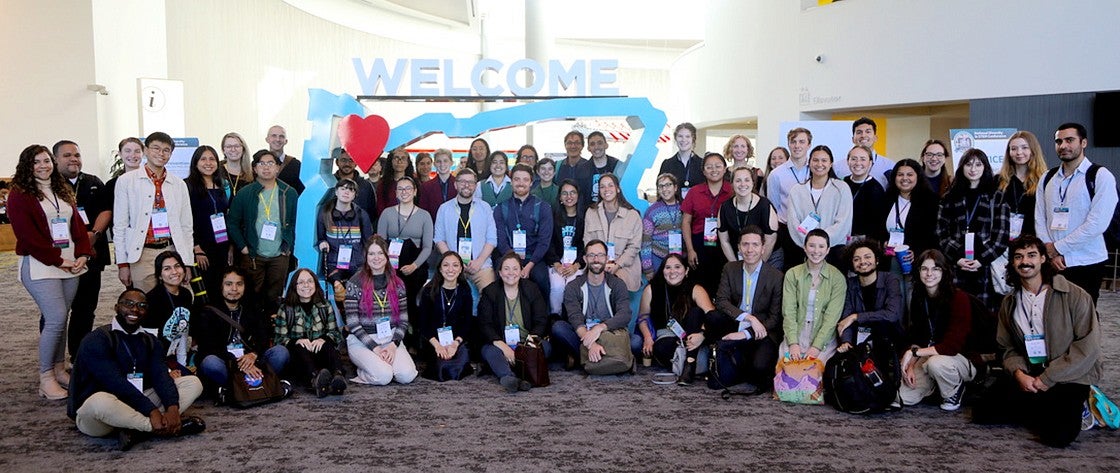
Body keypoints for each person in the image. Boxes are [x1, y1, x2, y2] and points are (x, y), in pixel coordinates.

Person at [973, 235, 1101, 448]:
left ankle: (1078, 403)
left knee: (1057, 437)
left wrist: (1048, 379)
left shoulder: (1075, 295)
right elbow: (1007, 347)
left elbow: (1088, 348)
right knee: (982, 413)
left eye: (1032, 255)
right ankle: (1045, 403)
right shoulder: (1010, 301)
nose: (1025, 262)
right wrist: (1019, 374)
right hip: (1031, 371)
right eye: (1018, 257)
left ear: (1043, 259)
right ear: (1013, 263)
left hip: (1068, 376)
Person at [68, 289, 205, 451]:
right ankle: (153, 427)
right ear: (116, 307)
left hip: (136, 403)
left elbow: (160, 375)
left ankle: (136, 429)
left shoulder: (150, 340)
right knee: (99, 401)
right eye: (128, 304)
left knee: (193, 383)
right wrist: (152, 411)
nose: (134, 309)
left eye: (141, 306)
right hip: (102, 415)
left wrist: (172, 407)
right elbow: (114, 383)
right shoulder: (97, 339)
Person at [10, 144, 93, 399]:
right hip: (40, 265)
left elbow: (77, 225)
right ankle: (45, 378)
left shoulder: (61, 189)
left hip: (69, 264)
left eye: (46, 161)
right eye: (37, 162)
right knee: (55, 318)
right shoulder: (19, 195)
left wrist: (82, 253)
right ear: (27, 165)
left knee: (63, 317)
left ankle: (58, 369)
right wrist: (60, 261)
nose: (43, 166)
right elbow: (28, 236)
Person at [1034, 122, 1117, 304]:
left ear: (1083, 143)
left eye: (1069, 140)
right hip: (1052, 262)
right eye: (1059, 141)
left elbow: (1096, 224)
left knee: (1083, 317)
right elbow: (1040, 217)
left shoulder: (1101, 176)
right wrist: (1050, 251)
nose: (1063, 146)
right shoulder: (1047, 177)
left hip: (1087, 260)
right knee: (1052, 314)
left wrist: (1058, 248)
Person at [113, 132, 195, 293]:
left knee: (173, 302)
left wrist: (187, 262)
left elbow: (186, 227)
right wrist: (122, 264)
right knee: (147, 304)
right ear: (145, 150)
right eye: (156, 148)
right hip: (142, 253)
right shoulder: (126, 181)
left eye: (166, 150)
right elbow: (120, 226)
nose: (161, 153)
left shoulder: (178, 184)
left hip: (171, 250)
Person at [54, 140, 111, 365]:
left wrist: (94, 234)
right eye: (67, 155)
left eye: (76, 154)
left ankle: (78, 356)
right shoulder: (48, 185)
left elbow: (106, 210)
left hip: (92, 254)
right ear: (55, 159)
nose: (73, 159)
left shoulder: (93, 182)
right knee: (57, 311)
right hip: (59, 257)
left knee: (85, 308)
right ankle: (54, 360)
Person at [708, 226, 784, 393]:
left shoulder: (776, 276)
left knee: (759, 370)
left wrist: (747, 333)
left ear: (763, 248)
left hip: (761, 333)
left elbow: (775, 317)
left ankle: (740, 360)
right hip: (738, 323)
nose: (750, 250)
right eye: (745, 244)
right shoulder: (730, 268)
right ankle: (723, 355)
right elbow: (721, 301)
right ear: (739, 247)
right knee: (713, 317)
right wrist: (749, 318)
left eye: (755, 245)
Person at [898, 249, 976, 410]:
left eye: (935, 268)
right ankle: (933, 385)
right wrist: (911, 365)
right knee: (904, 398)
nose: (929, 273)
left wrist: (914, 353)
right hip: (930, 354)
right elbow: (917, 337)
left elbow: (952, 346)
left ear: (944, 271)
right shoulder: (919, 297)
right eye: (924, 268)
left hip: (963, 358)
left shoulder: (958, 298)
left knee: (936, 364)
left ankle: (954, 390)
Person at [192, 267, 291, 394]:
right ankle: (249, 387)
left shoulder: (252, 308)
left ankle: (247, 387)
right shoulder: (208, 312)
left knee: (281, 352)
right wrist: (238, 364)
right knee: (210, 363)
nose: (234, 289)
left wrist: (253, 355)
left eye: (239, 284)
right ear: (221, 286)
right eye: (229, 284)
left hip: (252, 361)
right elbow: (209, 347)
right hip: (226, 363)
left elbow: (263, 338)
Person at [936, 148, 1009, 311]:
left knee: (984, 315)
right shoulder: (950, 196)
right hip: (956, 266)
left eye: (978, 164)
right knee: (957, 312)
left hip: (986, 268)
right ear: (962, 167)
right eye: (968, 164)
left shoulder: (996, 196)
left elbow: (1001, 236)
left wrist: (981, 260)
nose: (973, 169)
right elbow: (941, 233)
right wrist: (957, 258)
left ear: (985, 167)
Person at [227, 150, 298, 312]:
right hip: (253, 255)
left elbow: (295, 222)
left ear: (278, 168)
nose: (266, 167)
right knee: (252, 296)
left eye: (271, 163)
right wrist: (243, 247)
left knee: (275, 297)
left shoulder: (289, 193)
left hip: (279, 255)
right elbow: (232, 223)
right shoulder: (245, 193)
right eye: (262, 163)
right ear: (254, 168)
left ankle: (273, 332)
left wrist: (288, 247)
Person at [343, 236, 419, 385]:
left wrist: (392, 345)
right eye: (371, 254)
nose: (376, 258)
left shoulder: (398, 284)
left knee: (407, 376)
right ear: (366, 257)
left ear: (387, 256)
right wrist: (375, 348)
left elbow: (403, 321)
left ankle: (383, 365)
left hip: (390, 338)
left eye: (380, 253)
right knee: (384, 377)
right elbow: (353, 324)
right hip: (362, 341)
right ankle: (363, 371)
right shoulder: (354, 283)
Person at [554, 240, 634, 375]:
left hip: (609, 334)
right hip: (583, 334)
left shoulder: (617, 284)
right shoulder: (573, 286)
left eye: (600, 255)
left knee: (636, 342)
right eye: (591, 255)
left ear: (607, 258)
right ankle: (603, 356)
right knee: (558, 328)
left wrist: (599, 328)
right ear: (585, 259)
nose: (596, 259)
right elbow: (575, 318)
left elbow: (625, 314)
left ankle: (584, 357)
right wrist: (591, 343)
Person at [634, 254, 716, 385]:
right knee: (661, 348)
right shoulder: (652, 289)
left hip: (693, 336)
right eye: (668, 268)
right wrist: (648, 337)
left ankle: (688, 364)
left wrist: (702, 335)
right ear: (662, 271)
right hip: (667, 337)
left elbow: (712, 317)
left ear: (686, 270)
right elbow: (643, 317)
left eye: (677, 267)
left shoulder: (696, 289)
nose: (672, 272)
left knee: (696, 312)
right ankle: (692, 362)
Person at [478, 252, 551, 392]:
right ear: (499, 272)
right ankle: (508, 377)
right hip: (501, 344)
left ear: (521, 270)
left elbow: (541, 320)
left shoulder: (532, 289)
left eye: (515, 268)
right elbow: (485, 324)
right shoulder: (490, 292)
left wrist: (526, 345)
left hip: (526, 343)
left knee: (545, 348)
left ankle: (519, 373)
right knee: (489, 351)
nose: (511, 273)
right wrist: (504, 348)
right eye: (506, 269)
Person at [274, 268, 347, 397]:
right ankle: (315, 379)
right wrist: (296, 341)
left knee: (328, 345)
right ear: (294, 286)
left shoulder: (325, 305)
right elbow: (279, 339)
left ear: (315, 284)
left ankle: (337, 376)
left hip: (320, 353)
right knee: (300, 346)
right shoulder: (286, 309)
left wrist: (324, 339)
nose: (306, 285)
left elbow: (335, 334)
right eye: (301, 282)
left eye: (310, 281)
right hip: (299, 358)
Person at [377, 176, 434, 337]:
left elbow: (428, 247)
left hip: (415, 263)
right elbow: (380, 244)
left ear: (415, 191)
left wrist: (414, 265)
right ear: (395, 193)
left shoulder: (424, 216)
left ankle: (412, 332)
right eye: (400, 189)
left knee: (410, 291)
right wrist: (387, 265)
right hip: (390, 263)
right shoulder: (387, 214)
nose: (404, 192)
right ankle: (397, 329)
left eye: (408, 188)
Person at [780, 229, 845, 364]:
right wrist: (793, 343)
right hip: (796, 331)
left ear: (828, 250)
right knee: (786, 372)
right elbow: (789, 311)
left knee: (813, 373)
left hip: (823, 336)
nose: (816, 251)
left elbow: (832, 317)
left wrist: (816, 346)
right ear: (804, 248)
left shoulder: (837, 277)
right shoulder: (792, 274)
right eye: (811, 246)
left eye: (821, 246)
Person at [785, 145, 853, 267]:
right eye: (815, 160)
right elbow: (793, 222)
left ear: (831, 163)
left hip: (834, 250)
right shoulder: (797, 190)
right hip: (803, 250)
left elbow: (843, 222)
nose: (819, 164)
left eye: (824, 160)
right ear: (809, 162)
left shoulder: (841, 188)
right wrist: (810, 244)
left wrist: (822, 243)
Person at [433, 168, 497, 292]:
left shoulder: (485, 208)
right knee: (444, 296)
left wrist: (479, 261)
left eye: (471, 182)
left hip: (481, 266)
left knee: (490, 296)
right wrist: (454, 263)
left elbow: (492, 239)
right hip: (452, 267)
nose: (467, 185)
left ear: (475, 186)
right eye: (462, 182)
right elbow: (439, 239)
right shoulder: (444, 209)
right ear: (455, 185)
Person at [493, 164, 552, 298]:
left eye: (525, 180)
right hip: (508, 256)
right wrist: (514, 265)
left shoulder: (543, 207)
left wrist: (529, 266)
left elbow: (544, 241)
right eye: (517, 179)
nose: (521, 183)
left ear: (531, 182)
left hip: (534, 258)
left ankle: (543, 318)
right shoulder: (501, 208)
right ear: (511, 181)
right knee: (499, 279)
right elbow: (501, 240)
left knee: (541, 278)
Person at [417, 252, 476, 381]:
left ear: (461, 269)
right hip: (433, 341)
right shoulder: (429, 290)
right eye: (446, 265)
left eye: (455, 265)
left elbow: (467, 322)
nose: (450, 269)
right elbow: (423, 323)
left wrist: (455, 344)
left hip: (456, 341)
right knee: (441, 367)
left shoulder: (465, 291)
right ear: (440, 268)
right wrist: (437, 345)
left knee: (459, 363)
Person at [836, 239, 903, 354]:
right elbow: (845, 318)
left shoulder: (890, 279)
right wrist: (846, 341)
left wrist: (856, 316)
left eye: (867, 257)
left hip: (888, 338)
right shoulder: (850, 284)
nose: (862, 262)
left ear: (876, 260)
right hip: (860, 341)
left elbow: (892, 315)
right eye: (857, 259)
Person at [680, 153, 733, 295]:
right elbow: (686, 222)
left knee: (724, 284)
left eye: (718, 166)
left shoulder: (732, 191)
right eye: (709, 167)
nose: (714, 170)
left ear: (725, 169)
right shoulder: (694, 192)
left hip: (725, 243)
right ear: (703, 171)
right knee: (699, 284)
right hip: (699, 244)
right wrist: (690, 250)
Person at [583, 173, 644, 293]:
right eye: (602, 186)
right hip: (596, 264)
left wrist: (617, 265)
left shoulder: (632, 215)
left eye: (610, 185)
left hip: (623, 267)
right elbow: (588, 242)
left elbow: (634, 247)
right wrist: (599, 263)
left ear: (617, 189)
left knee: (614, 285)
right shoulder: (591, 212)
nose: (607, 190)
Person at [185, 145, 231, 295]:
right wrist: (196, 248)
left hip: (221, 245)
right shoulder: (187, 186)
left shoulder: (223, 185)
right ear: (195, 163)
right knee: (203, 292)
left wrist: (230, 246)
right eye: (203, 159)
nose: (208, 163)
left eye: (212, 159)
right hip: (201, 248)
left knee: (220, 288)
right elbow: (185, 219)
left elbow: (227, 216)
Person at [883, 159, 941, 277]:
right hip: (890, 258)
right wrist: (883, 243)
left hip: (918, 260)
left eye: (910, 174)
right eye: (900, 175)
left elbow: (933, 235)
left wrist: (917, 251)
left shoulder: (930, 201)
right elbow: (877, 228)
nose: (904, 178)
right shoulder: (887, 198)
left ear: (918, 177)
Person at [317, 178, 375, 287]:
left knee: (357, 288)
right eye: (343, 188)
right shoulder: (325, 213)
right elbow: (321, 237)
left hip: (357, 264)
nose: (346, 192)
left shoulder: (362, 215)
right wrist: (322, 242)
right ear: (336, 192)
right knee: (337, 287)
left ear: (355, 195)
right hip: (333, 264)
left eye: (351, 190)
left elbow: (368, 242)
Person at [143, 251, 194, 374]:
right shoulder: (152, 299)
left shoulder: (186, 295)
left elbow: (183, 331)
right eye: (167, 268)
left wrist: (183, 364)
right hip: (151, 360)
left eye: (177, 266)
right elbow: (150, 343)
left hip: (170, 356)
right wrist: (167, 371)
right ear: (160, 275)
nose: (174, 272)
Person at [768, 128, 812, 270]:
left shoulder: (816, 169)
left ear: (809, 145)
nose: (797, 145)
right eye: (793, 142)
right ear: (788, 144)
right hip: (786, 231)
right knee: (789, 271)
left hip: (812, 228)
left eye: (801, 141)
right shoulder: (776, 174)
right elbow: (774, 206)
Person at [718, 165, 778, 265]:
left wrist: (757, 266)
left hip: (767, 258)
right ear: (732, 184)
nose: (742, 184)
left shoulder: (765, 205)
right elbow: (724, 241)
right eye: (738, 181)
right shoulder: (725, 207)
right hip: (737, 258)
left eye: (747, 180)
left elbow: (770, 240)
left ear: (753, 183)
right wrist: (736, 267)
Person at [997, 131, 1047, 241]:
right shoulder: (998, 180)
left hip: (1034, 242)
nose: (1019, 152)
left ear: (1033, 150)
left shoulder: (1045, 180)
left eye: (1024, 147)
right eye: (1014, 149)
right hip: (1003, 243)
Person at [546, 180, 586, 315]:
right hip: (557, 260)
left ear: (578, 195)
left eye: (573, 193)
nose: (569, 197)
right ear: (560, 197)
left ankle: (572, 319)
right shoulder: (552, 215)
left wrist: (576, 265)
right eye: (565, 193)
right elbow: (548, 241)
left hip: (578, 263)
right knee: (557, 287)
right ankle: (555, 318)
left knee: (572, 286)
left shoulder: (586, 216)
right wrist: (556, 264)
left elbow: (587, 244)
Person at [641, 173, 684, 281]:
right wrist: (648, 268)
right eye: (661, 186)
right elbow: (646, 241)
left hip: (681, 258)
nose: (665, 189)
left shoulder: (684, 207)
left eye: (668, 185)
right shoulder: (651, 211)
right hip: (658, 258)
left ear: (675, 187)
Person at [843, 145, 888, 243]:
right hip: (841, 240)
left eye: (863, 159)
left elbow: (878, 225)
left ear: (870, 163)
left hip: (866, 243)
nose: (858, 163)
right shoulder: (842, 183)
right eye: (854, 159)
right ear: (848, 161)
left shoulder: (876, 189)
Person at [658, 123, 704, 196]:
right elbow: (660, 190)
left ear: (693, 139)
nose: (683, 140)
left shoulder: (702, 164)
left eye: (687, 136)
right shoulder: (667, 164)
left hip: (697, 206)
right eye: (680, 136)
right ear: (675, 138)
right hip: (673, 206)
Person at [331, 147, 377, 217]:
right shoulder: (329, 183)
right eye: (343, 160)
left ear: (356, 163)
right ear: (337, 162)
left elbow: (372, 212)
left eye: (351, 160)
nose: (347, 163)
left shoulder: (366, 186)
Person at [850, 117, 894, 187]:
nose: (863, 135)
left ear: (875, 138)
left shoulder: (889, 166)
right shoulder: (838, 167)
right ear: (853, 139)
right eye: (859, 132)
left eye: (868, 132)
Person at [555, 131, 595, 206]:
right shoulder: (557, 166)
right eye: (569, 143)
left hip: (585, 212)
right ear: (565, 145)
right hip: (561, 213)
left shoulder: (590, 166)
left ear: (582, 146)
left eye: (577, 143)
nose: (573, 146)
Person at [265, 125, 304, 194]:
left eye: (281, 136)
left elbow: (301, 191)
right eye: (274, 136)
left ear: (286, 141)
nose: (278, 139)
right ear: (267, 139)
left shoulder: (296, 165)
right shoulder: (258, 164)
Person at [418, 148, 456, 219]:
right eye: (439, 161)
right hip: (434, 226)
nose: (442, 164)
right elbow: (424, 212)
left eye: (445, 161)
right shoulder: (426, 187)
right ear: (434, 164)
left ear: (451, 163)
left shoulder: (459, 184)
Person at [376, 147, 415, 214]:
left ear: (408, 163)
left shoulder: (415, 182)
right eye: (396, 158)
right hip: (389, 221)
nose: (399, 161)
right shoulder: (383, 184)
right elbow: (380, 208)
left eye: (403, 158)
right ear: (391, 161)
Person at [587, 131, 624, 202]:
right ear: (588, 148)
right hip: (590, 210)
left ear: (606, 145)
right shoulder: (581, 169)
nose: (596, 147)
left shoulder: (618, 166)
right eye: (592, 144)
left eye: (600, 143)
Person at [220, 132, 254, 197]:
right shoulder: (217, 170)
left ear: (243, 149)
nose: (233, 149)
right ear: (223, 150)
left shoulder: (252, 172)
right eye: (229, 146)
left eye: (237, 146)